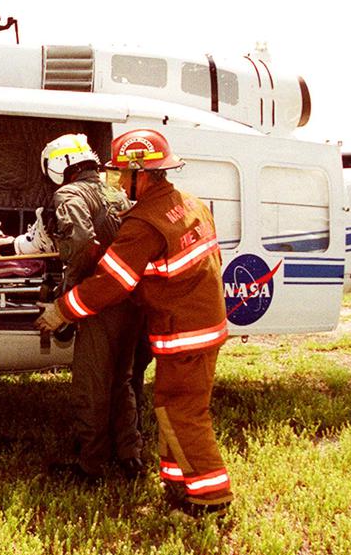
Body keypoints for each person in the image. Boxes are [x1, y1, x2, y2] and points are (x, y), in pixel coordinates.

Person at [36, 128, 232, 516]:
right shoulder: (188, 203)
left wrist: (63, 308)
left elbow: (113, 281)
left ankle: (210, 500)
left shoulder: (144, 221)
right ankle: (178, 487)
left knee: (184, 413)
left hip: (185, 331)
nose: (119, 183)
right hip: (202, 324)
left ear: (142, 174)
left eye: (123, 175)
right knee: (167, 408)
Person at [40, 133, 144, 483]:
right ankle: (130, 454)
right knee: (123, 380)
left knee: (91, 383)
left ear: (59, 165)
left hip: (100, 301)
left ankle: (90, 465)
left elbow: (81, 243)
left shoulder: (68, 194)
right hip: (131, 298)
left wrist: (69, 298)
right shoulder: (115, 192)